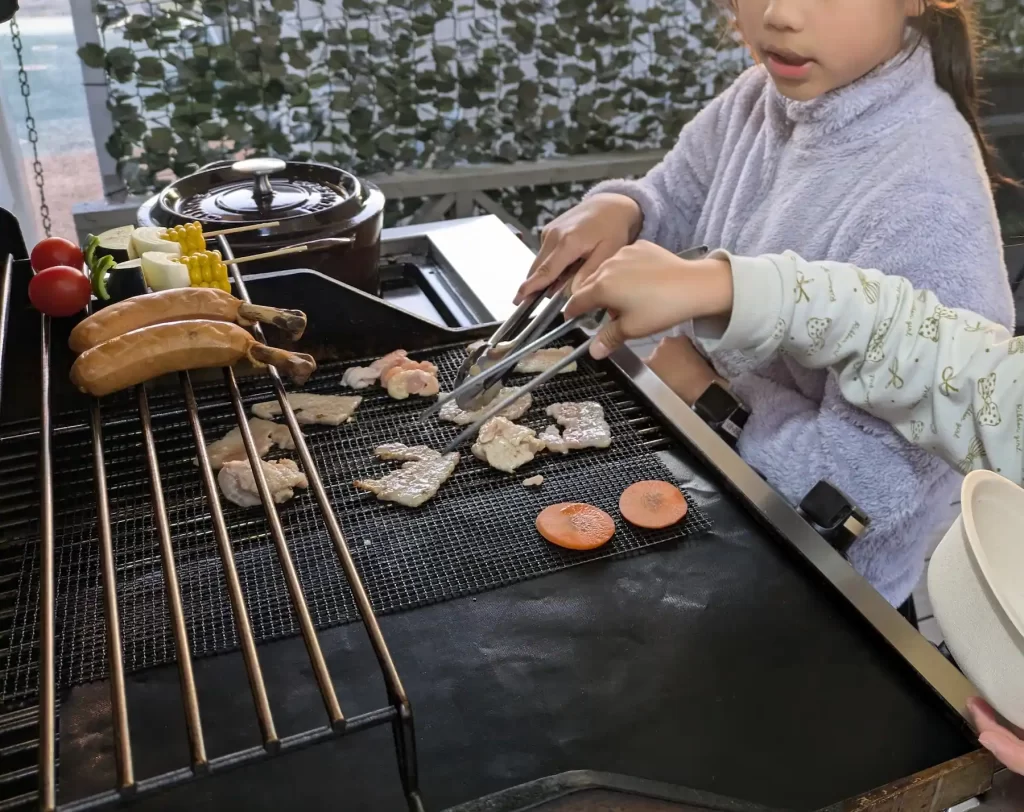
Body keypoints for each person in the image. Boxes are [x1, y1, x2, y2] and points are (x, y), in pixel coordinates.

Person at [517, 0, 1015, 610]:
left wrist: (708, 395)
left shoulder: (929, 199)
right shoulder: (770, 93)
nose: (778, 14)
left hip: (822, 592)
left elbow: (861, 496)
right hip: (713, 494)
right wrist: (626, 209)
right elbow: (680, 194)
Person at [561, 242, 1024, 773]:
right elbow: (931, 353)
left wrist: (713, 394)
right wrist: (724, 286)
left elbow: (859, 483)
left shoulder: (935, 224)